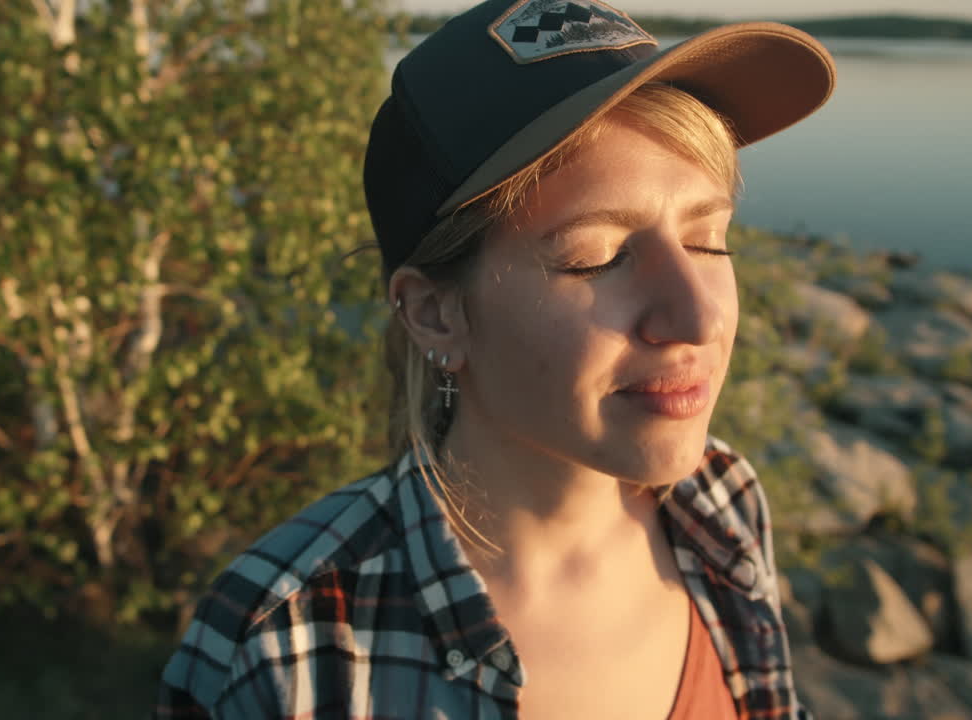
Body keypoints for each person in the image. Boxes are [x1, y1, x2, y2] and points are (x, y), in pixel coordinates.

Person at [154, 0, 835, 717]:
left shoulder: (721, 505)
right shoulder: (285, 647)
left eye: (708, 241)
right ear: (435, 314)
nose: (696, 317)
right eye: (597, 259)